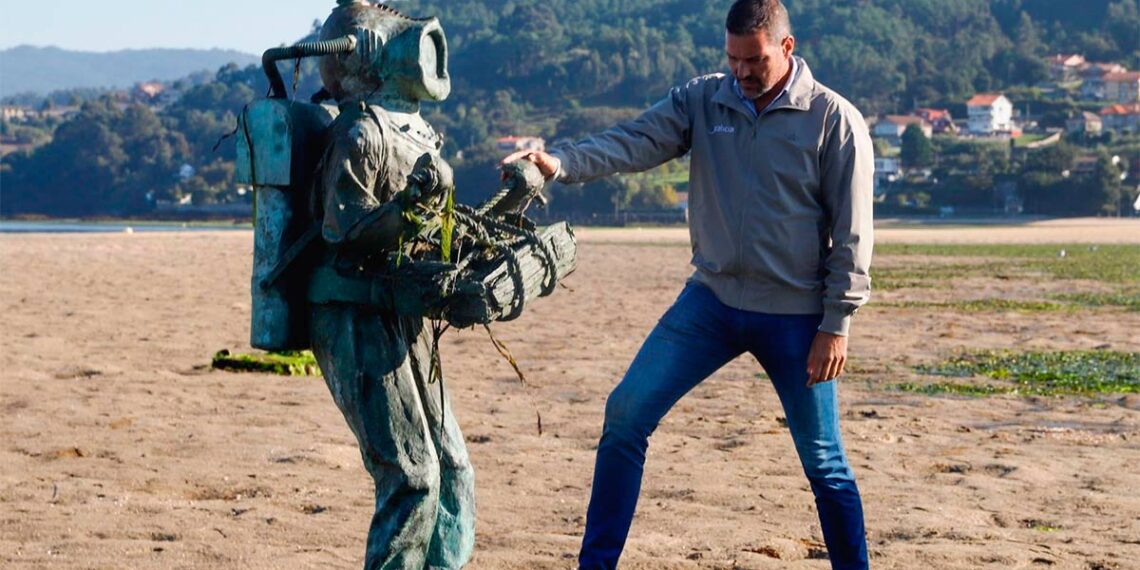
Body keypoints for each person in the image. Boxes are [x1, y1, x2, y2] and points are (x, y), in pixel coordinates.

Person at [502, 1, 873, 568]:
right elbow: (634, 140)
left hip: (797, 316)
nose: (742, 71)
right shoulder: (706, 98)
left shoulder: (833, 119)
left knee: (824, 462)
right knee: (625, 415)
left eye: (755, 59)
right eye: (732, 58)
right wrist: (561, 163)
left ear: (787, 47)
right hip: (712, 301)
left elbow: (852, 235)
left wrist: (836, 325)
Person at [306, 2, 475, 568]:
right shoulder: (359, 131)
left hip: (401, 308)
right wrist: (408, 205)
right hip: (353, 312)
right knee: (412, 476)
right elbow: (343, 230)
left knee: (452, 464)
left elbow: (435, 233)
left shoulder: (415, 128)